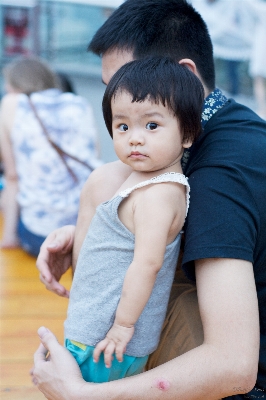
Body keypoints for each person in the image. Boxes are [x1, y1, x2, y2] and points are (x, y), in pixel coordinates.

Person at [32, 1, 266, 399]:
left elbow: (234, 365)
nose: (114, 104)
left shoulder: (223, 173)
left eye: (122, 85)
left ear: (184, 76)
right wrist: (96, 234)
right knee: (106, 181)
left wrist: (79, 395)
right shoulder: (220, 126)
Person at [64, 56, 204, 383]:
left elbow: (147, 264)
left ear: (187, 134)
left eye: (151, 125)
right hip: (100, 332)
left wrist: (123, 325)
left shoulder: (159, 194)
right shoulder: (143, 180)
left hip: (108, 340)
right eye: (122, 126)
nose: (135, 138)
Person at [0, 56, 102, 256]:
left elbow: (12, 176)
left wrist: (9, 237)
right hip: (86, 232)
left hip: (40, 237)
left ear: (14, 84)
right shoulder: (80, 103)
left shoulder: (11, 103)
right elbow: (93, 159)